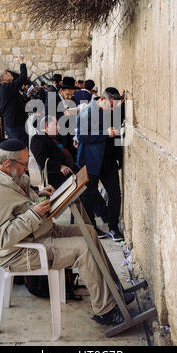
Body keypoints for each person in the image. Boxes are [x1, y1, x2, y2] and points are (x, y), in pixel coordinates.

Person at [0, 138, 127, 327]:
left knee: (88, 231)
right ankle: (106, 311)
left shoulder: (12, 177)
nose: (27, 168)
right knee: (83, 248)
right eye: (24, 164)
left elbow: (19, 204)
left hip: (41, 233)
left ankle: (115, 291)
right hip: (21, 252)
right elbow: (1, 239)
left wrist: (38, 194)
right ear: (7, 164)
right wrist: (33, 214)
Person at [76, 87, 125, 241]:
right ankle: (91, 228)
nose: (112, 109)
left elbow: (118, 129)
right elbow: (82, 136)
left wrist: (120, 158)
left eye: (114, 106)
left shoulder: (112, 110)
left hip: (108, 161)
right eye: (110, 105)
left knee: (115, 194)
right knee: (89, 196)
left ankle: (113, 227)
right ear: (102, 100)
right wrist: (105, 133)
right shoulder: (87, 112)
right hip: (91, 160)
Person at [0, 56, 28, 145]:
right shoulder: (6, 88)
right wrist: (22, 62)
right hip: (16, 125)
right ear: (2, 79)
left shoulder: (6, 89)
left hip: (14, 124)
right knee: (19, 149)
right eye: (6, 73)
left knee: (19, 149)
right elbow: (23, 77)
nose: (9, 73)